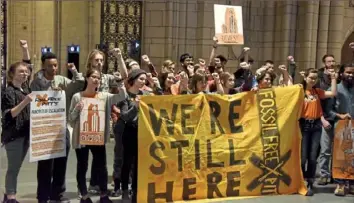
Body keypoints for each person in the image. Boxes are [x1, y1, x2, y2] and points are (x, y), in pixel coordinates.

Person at [30, 52, 84, 203]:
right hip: (45, 127)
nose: (53, 68)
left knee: (61, 163)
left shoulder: (61, 79)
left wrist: (74, 71)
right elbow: (35, 99)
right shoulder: (36, 82)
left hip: (61, 127)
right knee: (45, 165)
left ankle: (58, 194)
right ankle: (43, 196)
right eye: (50, 66)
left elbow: (78, 84)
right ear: (43, 66)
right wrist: (50, 93)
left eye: (55, 65)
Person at [68, 68, 127, 203]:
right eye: (93, 77)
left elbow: (122, 96)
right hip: (81, 137)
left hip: (97, 136)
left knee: (102, 165)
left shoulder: (104, 96)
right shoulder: (77, 96)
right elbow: (71, 119)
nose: (96, 80)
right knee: (82, 166)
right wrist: (78, 109)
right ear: (87, 78)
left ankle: (103, 195)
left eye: (98, 78)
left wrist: (119, 82)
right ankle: (84, 195)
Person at [299, 68, 337, 196]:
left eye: (315, 78)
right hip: (303, 125)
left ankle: (310, 181)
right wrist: (287, 72)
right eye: (311, 77)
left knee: (313, 155)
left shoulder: (317, 91)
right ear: (305, 77)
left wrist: (333, 78)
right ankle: (301, 180)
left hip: (316, 125)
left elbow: (332, 93)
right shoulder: (300, 90)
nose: (313, 80)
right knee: (303, 156)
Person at [1, 62, 33, 203]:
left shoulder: (25, 88)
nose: (24, 74)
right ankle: (11, 197)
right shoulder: (8, 91)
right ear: (12, 74)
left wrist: (25, 49)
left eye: (26, 72)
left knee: (17, 166)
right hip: (13, 135)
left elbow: (28, 63)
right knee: (13, 167)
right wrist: (26, 101)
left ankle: (8, 194)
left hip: (25, 134)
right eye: (21, 71)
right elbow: (9, 114)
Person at [325, 63, 354, 196]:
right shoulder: (334, 88)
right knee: (340, 157)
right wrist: (340, 115)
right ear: (341, 73)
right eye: (348, 72)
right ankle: (340, 184)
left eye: (352, 73)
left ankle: (352, 184)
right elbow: (328, 110)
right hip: (341, 126)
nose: (350, 75)